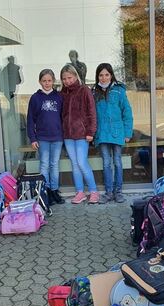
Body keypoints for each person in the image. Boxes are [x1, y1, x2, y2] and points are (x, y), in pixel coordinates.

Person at [92, 63, 133, 204]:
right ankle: (108, 192)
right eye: (101, 75)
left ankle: (119, 192)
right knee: (106, 163)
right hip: (102, 133)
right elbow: (91, 115)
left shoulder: (119, 91)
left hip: (117, 132)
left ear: (111, 75)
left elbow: (127, 112)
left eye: (106, 75)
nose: (104, 78)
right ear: (97, 76)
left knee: (117, 162)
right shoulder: (94, 92)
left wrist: (127, 133)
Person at [59, 64, 98, 204]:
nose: (67, 81)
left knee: (82, 162)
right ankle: (80, 192)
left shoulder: (84, 90)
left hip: (82, 134)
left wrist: (90, 132)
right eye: (64, 79)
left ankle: (94, 192)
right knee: (74, 164)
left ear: (75, 76)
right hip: (68, 135)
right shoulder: (62, 93)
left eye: (69, 77)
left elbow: (92, 113)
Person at [27, 69, 65, 205]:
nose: (47, 83)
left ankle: (54, 190)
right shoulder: (35, 98)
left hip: (57, 137)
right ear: (40, 82)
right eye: (44, 81)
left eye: (49, 80)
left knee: (54, 164)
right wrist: (33, 138)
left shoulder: (59, 97)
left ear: (53, 81)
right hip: (42, 137)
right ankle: (45, 191)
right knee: (44, 164)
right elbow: (30, 119)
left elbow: (63, 116)